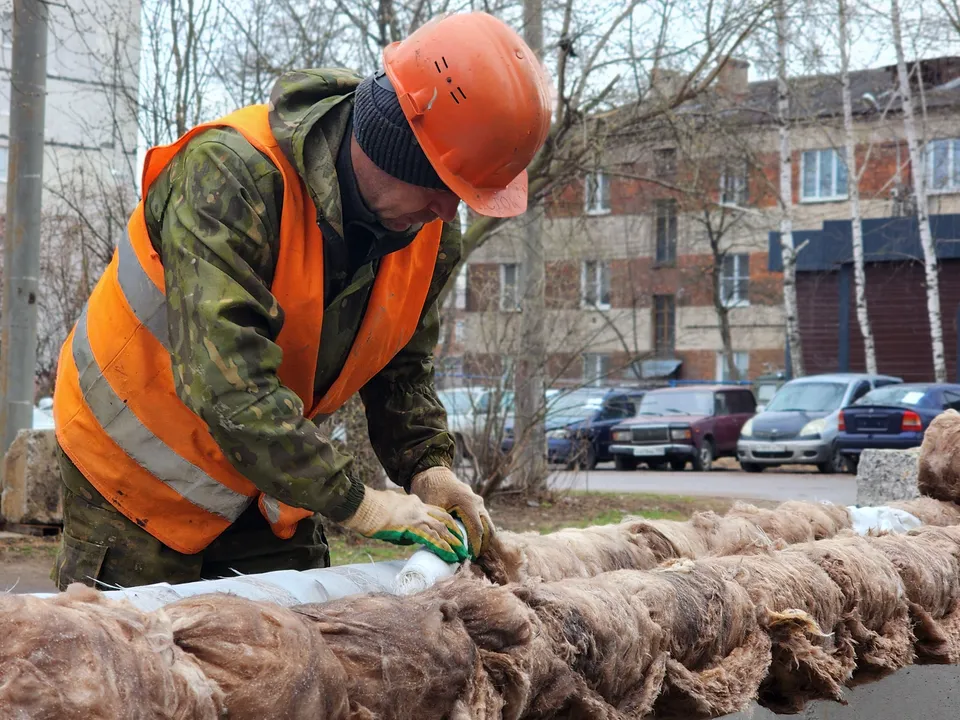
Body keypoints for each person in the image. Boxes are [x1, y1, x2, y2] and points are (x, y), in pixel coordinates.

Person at [50, 11, 552, 590]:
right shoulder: (230, 177)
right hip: (132, 476)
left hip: (270, 476)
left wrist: (427, 467)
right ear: (398, 146)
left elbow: (401, 371)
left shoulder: (428, 231)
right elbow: (228, 387)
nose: (448, 211)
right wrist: (361, 503)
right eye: (446, 185)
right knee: (136, 668)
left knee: (299, 661)